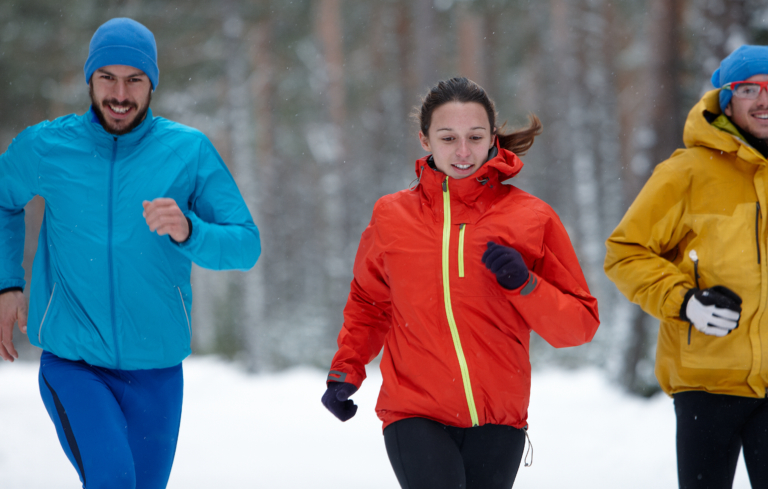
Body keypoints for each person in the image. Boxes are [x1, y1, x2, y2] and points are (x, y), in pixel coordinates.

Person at [0, 18, 260, 489]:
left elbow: (245, 244)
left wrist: (189, 230)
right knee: (114, 479)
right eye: (108, 78)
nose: (120, 94)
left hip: (157, 371)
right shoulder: (48, 146)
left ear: (152, 83)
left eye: (134, 80)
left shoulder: (187, 151)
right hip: (74, 362)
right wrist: (7, 283)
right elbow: (3, 198)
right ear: (90, 79)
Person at [604, 45, 768, 488]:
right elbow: (625, 252)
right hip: (705, 387)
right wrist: (686, 302)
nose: (764, 100)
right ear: (727, 101)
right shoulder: (685, 173)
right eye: (748, 90)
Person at [320, 77, 600, 489]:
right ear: (425, 140)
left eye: (475, 137)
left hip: (498, 417)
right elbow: (370, 303)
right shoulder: (391, 215)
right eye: (448, 138)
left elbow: (579, 325)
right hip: (414, 410)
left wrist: (525, 285)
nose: (463, 151)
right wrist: (346, 369)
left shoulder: (531, 217)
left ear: (492, 139)